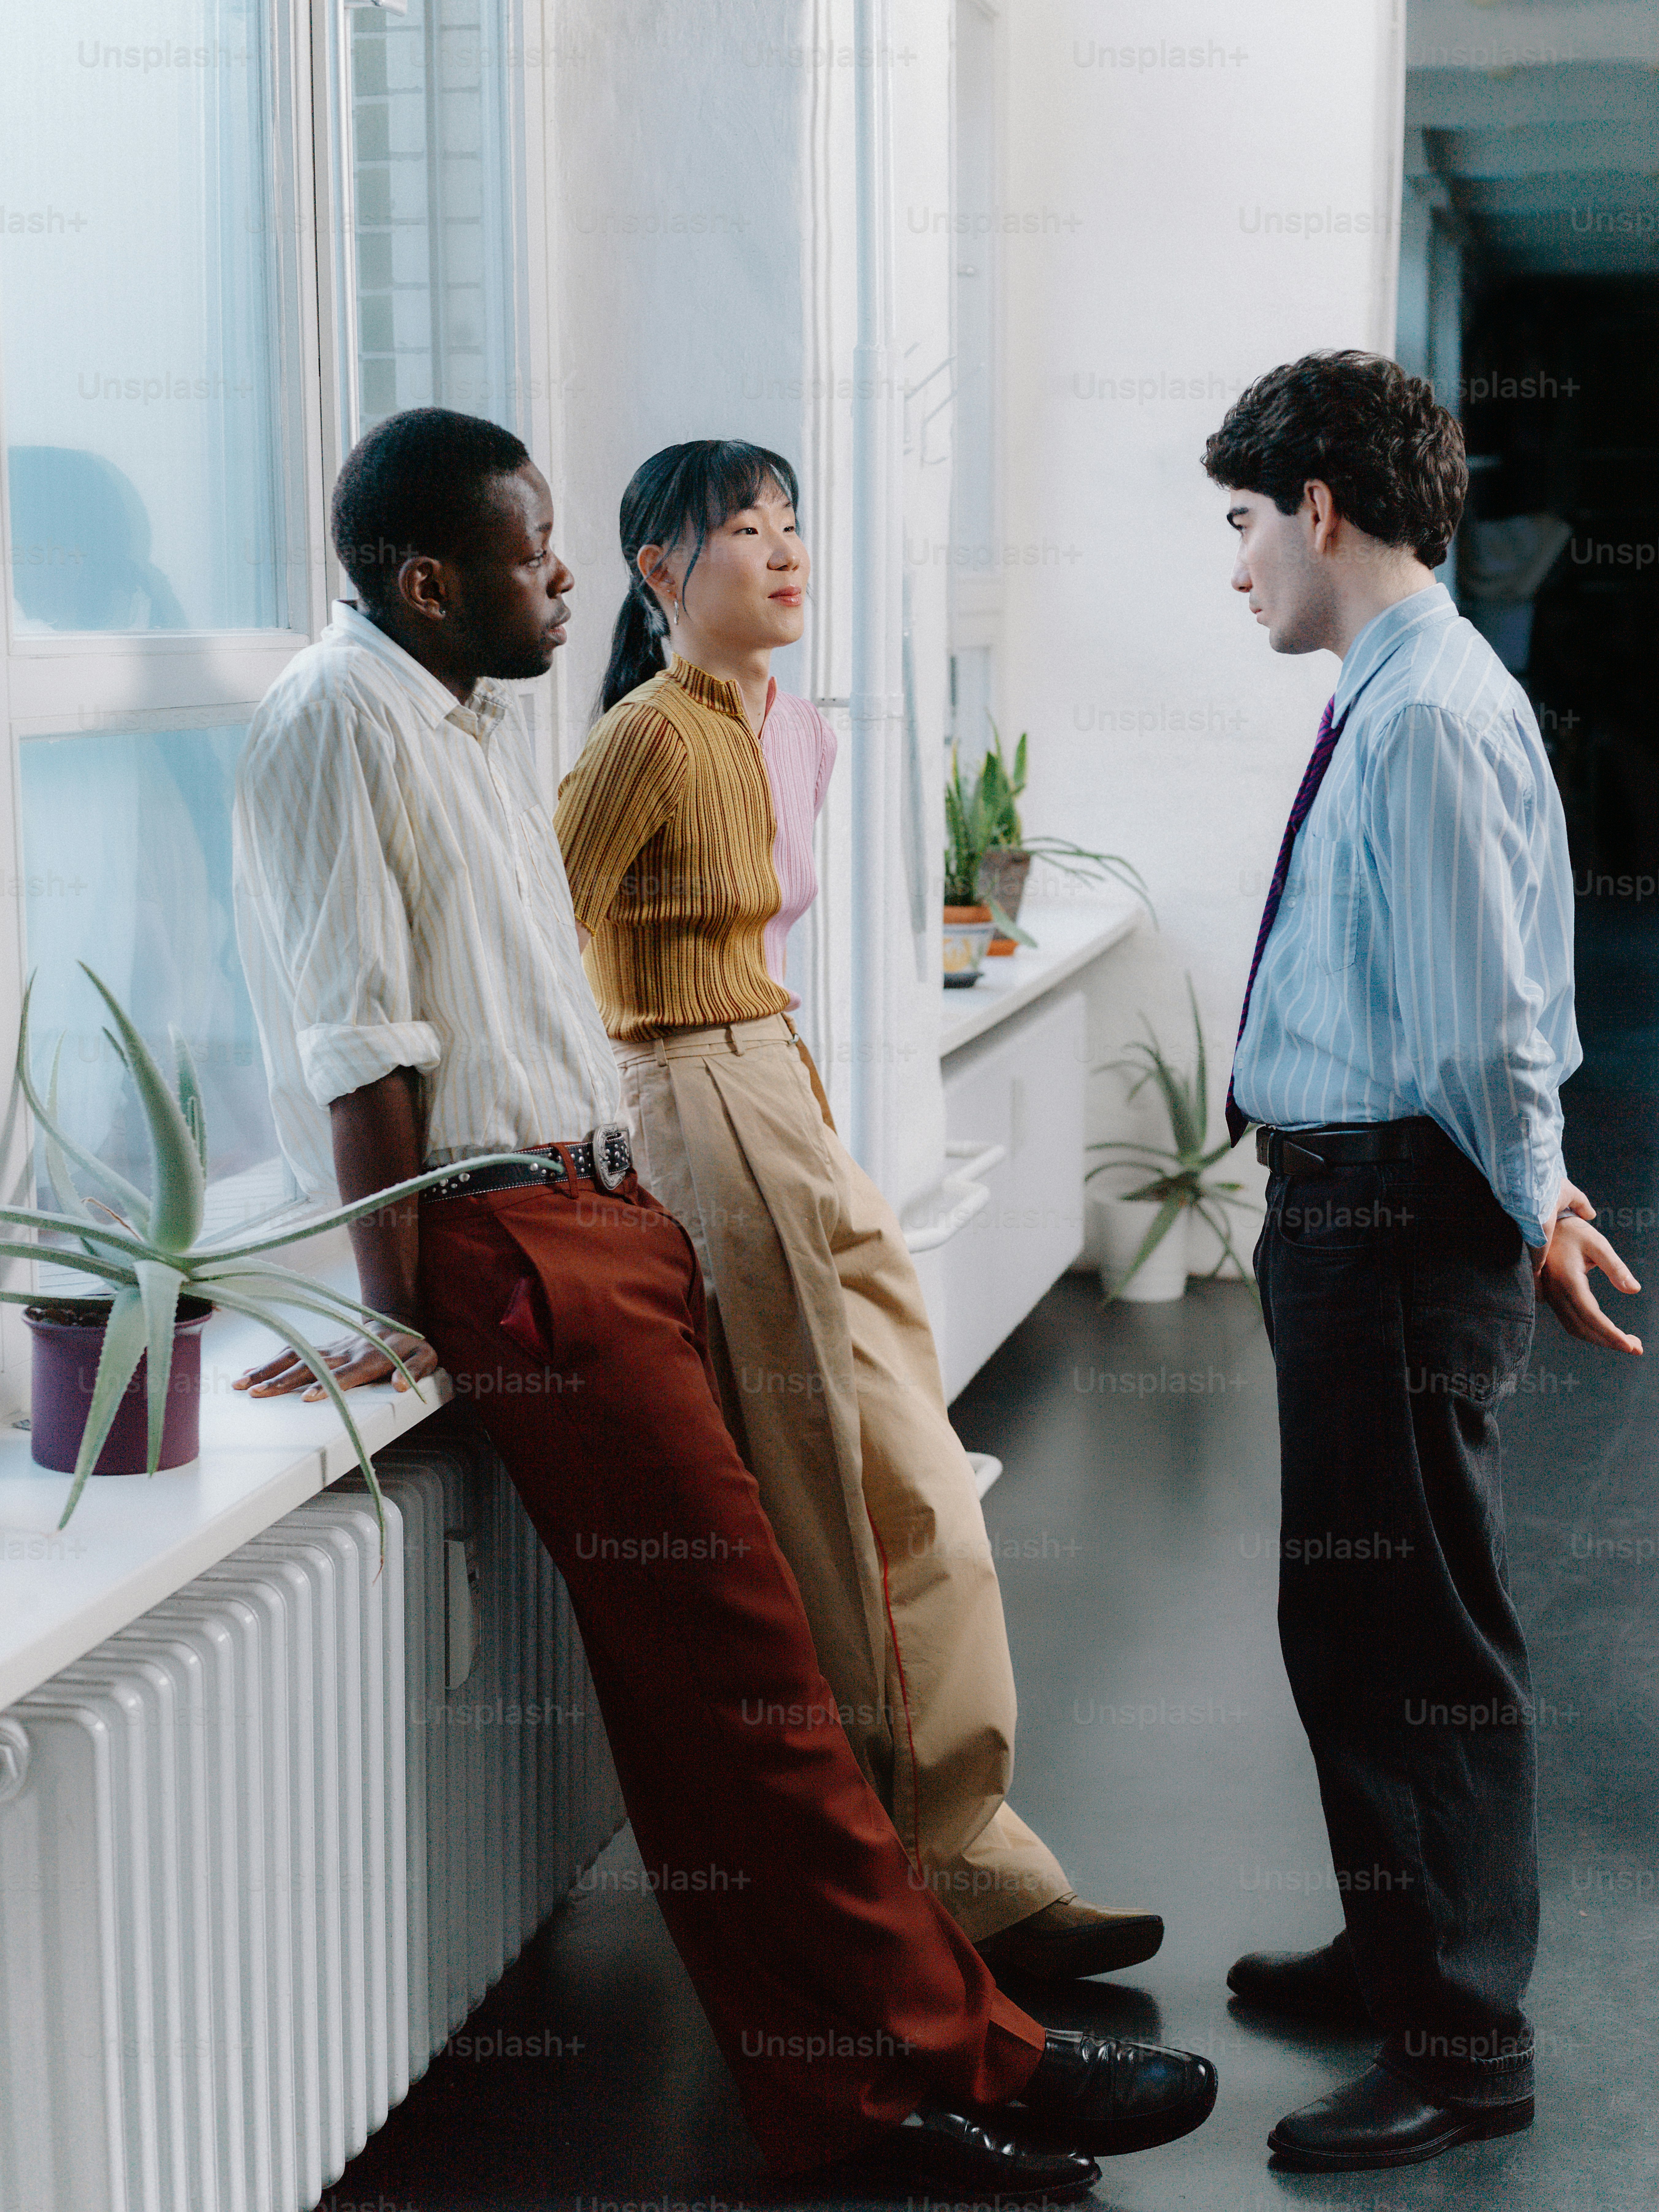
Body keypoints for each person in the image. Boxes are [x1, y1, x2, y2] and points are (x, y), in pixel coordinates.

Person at [230, 405, 1218, 2199]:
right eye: (535, 558)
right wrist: (400, 1305)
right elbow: (358, 1041)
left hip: (601, 1215)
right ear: (428, 578)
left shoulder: (457, 720)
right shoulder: (336, 724)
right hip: (505, 1239)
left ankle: (866, 2089)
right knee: (754, 1676)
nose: (565, 582)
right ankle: (956, 2058)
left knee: (716, 1692)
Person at [553, 439, 1158, 1989]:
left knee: (920, 1469)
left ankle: (970, 1843)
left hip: (783, 1078)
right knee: (823, 1491)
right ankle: (905, 1891)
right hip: (685, 1094)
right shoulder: (640, 738)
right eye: (742, 529)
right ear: (659, 572)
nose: (783, 548)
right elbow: (535, 945)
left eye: (793, 522)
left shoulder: (797, 727)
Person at [1203, 351, 1642, 2173]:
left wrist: (1534, 1202)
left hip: (1395, 1216)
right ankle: (1406, 1947)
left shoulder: (1428, 716)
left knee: (1414, 1630)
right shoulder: (1396, 692)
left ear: (1319, 507)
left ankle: (1464, 2044)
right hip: (1352, 1206)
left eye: (1241, 526)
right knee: (1354, 1615)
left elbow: (1485, 1028)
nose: (1233, 568)